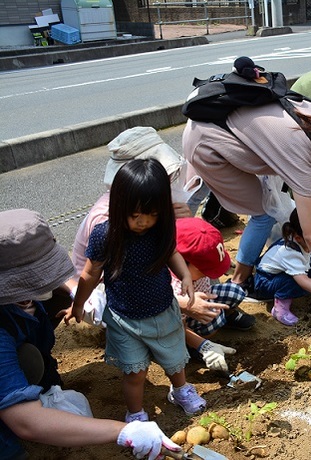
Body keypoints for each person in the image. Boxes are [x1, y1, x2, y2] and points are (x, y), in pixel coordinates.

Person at [0, 209, 180, 460]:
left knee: (39, 346)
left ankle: (43, 384)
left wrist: (77, 293)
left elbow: (61, 284)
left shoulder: (21, 296)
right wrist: (124, 431)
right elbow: (26, 422)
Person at [183, 97, 311, 311]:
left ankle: (251, 273)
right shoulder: (303, 151)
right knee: (263, 212)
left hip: (222, 129)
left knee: (269, 207)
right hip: (209, 143)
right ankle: (240, 283)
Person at [68, 126, 253, 352]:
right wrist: (183, 304)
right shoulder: (106, 221)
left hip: (151, 271)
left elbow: (176, 246)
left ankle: (211, 311)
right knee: (155, 322)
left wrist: (180, 221)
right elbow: (123, 281)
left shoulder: (149, 204)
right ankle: (180, 337)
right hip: (111, 289)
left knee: (203, 260)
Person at [64, 159, 207, 422]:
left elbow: (171, 251)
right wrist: (78, 305)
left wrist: (184, 273)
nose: (144, 222)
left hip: (163, 310)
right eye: (136, 215)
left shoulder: (161, 228)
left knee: (175, 362)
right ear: (120, 205)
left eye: (152, 214)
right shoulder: (105, 235)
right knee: (134, 373)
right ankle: (136, 413)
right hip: (124, 318)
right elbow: (90, 273)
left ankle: (180, 390)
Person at [174, 217, 256, 373]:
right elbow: (177, 326)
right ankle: (191, 346)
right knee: (214, 320)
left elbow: (208, 286)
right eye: (204, 270)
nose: (208, 274)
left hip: (201, 298)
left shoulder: (195, 267)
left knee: (235, 291)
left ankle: (228, 316)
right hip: (176, 322)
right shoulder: (176, 288)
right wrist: (204, 346)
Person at [254, 205, 311, 326]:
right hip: (265, 282)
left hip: (279, 274)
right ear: (299, 237)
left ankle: (310, 283)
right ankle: (280, 309)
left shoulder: (302, 242)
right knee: (297, 282)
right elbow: (302, 280)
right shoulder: (289, 252)